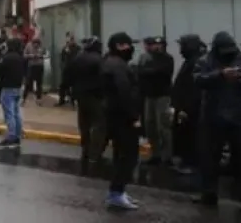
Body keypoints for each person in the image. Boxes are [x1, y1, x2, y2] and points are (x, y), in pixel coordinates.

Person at [193, 31, 241, 213]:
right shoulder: (205, 61)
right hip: (213, 116)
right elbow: (198, 79)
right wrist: (220, 75)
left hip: (240, 117)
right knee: (209, 158)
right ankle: (208, 193)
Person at [100, 32, 141, 210]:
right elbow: (124, 92)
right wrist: (134, 116)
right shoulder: (117, 66)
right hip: (122, 118)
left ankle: (118, 191)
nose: (131, 48)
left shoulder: (111, 62)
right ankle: (116, 193)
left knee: (121, 155)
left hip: (115, 115)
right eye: (128, 45)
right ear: (119, 46)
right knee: (128, 156)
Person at [65, 36, 106, 170]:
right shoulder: (99, 59)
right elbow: (103, 78)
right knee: (98, 124)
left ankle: (85, 149)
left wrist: (70, 91)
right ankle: (95, 153)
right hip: (95, 96)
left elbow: (68, 74)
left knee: (84, 124)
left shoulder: (78, 58)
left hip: (80, 96)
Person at [134, 36, 175, 167]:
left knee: (162, 126)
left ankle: (167, 156)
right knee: (150, 125)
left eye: (158, 44)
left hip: (162, 95)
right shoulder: (146, 58)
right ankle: (155, 154)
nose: (155, 47)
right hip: (149, 95)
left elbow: (162, 72)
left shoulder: (167, 59)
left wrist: (148, 71)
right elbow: (140, 72)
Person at [171, 34, 205, 174]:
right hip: (185, 107)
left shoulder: (196, 62)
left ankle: (192, 165)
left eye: (182, 46)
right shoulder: (190, 61)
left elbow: (193, 89)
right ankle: (186, 161)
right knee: (184, 135)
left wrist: (186, 108)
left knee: (191, 137)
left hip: (191, 109)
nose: (180, 49)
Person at [0, 37, 25, 148]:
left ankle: (11, 136)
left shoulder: (7, 58)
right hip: (18, 87)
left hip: (8, 88)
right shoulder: (21, 57)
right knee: (16, 113)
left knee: (9, 114)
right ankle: (17, 135)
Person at [22, 38, 47, 105]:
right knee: (28, 83)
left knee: (39, 83)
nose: (36, 46)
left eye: (37, 45)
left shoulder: (42, 46)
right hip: (31, 66)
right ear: (32, 43)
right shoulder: (28, 45)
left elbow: (46, 54)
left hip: (39, 66)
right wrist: (31, 55)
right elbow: (24, 55)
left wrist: (40, 56)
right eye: (34, 45)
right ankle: (23, 99)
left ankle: (39, 99)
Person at [58, 33, 80, 106]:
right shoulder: (65, 48)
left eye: (72, 39)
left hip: (75, 68)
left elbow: (77, 57)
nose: (70, 41)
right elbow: (62, 58)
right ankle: (62, 100)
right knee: (63, 85)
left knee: (74, 86)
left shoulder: (78, 48)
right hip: (67, 69)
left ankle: (73, 100)